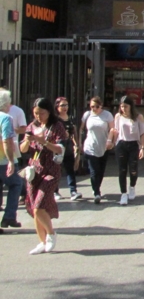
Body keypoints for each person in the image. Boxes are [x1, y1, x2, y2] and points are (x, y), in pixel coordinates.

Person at [19, 98, 66, 254]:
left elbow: (60, 149)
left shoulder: (56, 126)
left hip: (51, 170)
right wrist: (27, 141)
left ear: (49, 112)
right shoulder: (31, 126)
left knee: (39, 206)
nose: (38, 116)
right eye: (36, 113)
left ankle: (51, 234)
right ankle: (42, 241)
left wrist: (43, 141)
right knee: (34, 208)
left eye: (42, 113)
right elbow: (23, 149)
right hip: (35, 170)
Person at [113, 96, 144, 206]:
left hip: (133, 144)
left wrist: (142, 148)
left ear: (131, 106)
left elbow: (143, 133)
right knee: (122, 170)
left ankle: (132, 186)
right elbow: (115, 131)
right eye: (122, 106)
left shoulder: (138, 117)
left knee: (133, 169)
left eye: (126, 106)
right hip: (121, 144)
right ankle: (123, 194)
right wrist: (113, 142)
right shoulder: (118, 116)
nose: (124, 109)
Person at [80, 97, 114, 204]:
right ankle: (96, 193)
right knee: (94, 170)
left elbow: (112, 129)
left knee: (101, 170)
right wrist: (79, 143)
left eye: (97, 106)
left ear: (101, 105)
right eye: (92, 107)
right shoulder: (87, 115)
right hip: (90, 146)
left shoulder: (107, 115)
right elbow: (81, 129)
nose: (94, 109)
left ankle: (96, 187)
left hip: (104, 146)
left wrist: (110, 140)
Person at [0, 90, 21, 232]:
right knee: (16, 183)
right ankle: (9, 216)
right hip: (3, 160)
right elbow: (6, 140)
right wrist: (11, 161)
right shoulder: (6, 118)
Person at [54, 97, 81, 201]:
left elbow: (74, 131)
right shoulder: (55, 120)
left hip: (68, 145)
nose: (65, 107)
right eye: (62, 105)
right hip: (58, 145)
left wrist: (77, 144)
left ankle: (73, 191)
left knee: (70, 169)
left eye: (66, 105)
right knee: (57, 170)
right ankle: (55, 191)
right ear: (57, 107)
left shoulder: (70, 118)